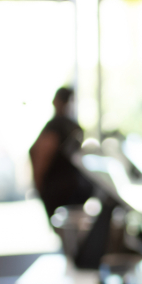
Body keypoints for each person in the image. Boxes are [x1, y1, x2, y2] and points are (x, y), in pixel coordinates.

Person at [29, 87, 93, 218]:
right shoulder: (72, 127)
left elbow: (42, 157)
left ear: (57, 101)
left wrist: (38, 185)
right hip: (70, 189)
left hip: (59, 191)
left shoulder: (57, 127)